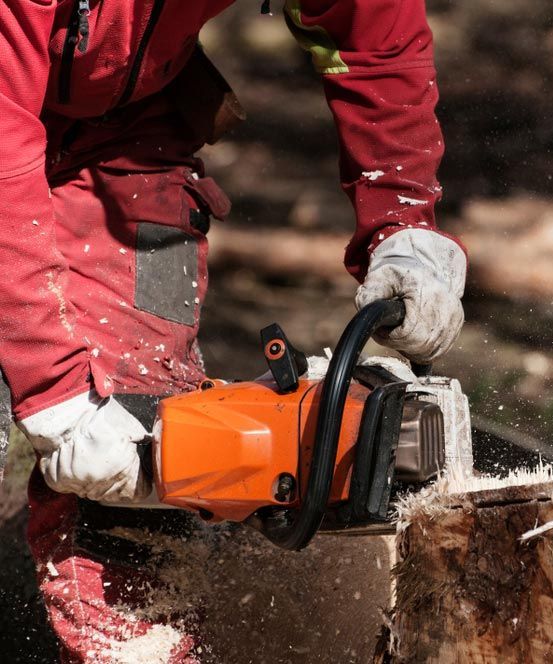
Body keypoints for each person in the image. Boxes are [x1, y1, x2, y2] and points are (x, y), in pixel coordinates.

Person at [0, 1, 465, 660]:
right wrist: (52, 390)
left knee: (147, 425)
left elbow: (368, 31)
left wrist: (403, 215)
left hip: (127, 132)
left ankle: (144, 641)